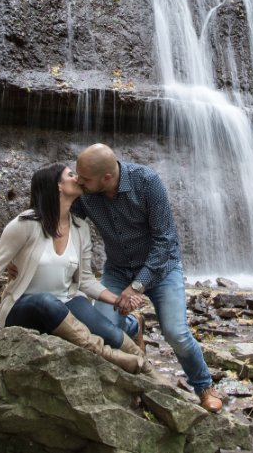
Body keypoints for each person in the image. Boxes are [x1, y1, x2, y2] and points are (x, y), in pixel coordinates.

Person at [0, 163, 156, 377]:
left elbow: (85, 280)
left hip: (66, 302)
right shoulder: (25, 224)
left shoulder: (80, 228)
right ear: (57, 185)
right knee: (45, 302)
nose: (78, 178)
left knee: (109, 331)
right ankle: (123, 361)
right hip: (24, 307)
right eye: (71, 175)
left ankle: (148, 369)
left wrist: (118, 300)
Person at [73, 143, 224, 412]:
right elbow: (58, 218)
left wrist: (137, 286)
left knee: (175, 332)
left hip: (163, 269)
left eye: (84, 179)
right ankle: (133, 327)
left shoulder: (146, 182)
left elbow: (165, 239)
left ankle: (204, 386)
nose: (78, 182)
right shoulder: (86, 192)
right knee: (103, 331)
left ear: (106, 178)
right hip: (118, 270)